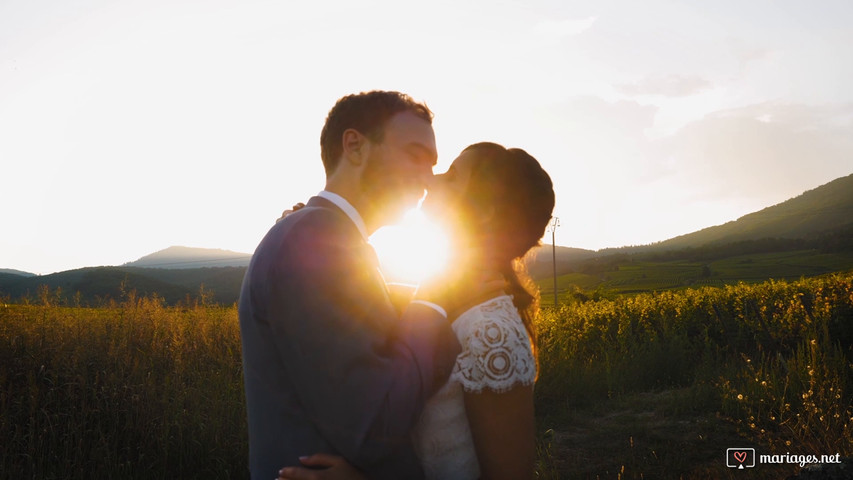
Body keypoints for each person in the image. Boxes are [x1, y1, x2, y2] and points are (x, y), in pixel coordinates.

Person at [239, 91, 498, 480]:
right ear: (354, 146)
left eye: (433, 164)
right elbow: (376, 424)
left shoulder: (328, 238)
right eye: (415, 154)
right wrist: (435, 301)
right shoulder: (315, 239)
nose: (428, 180)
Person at [279, 142, 556, 480]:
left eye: (452, 176)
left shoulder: (489, 330)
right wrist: (308, 233)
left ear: (484, 211)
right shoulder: (439, 299)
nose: (431, 180)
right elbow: (368, 293)